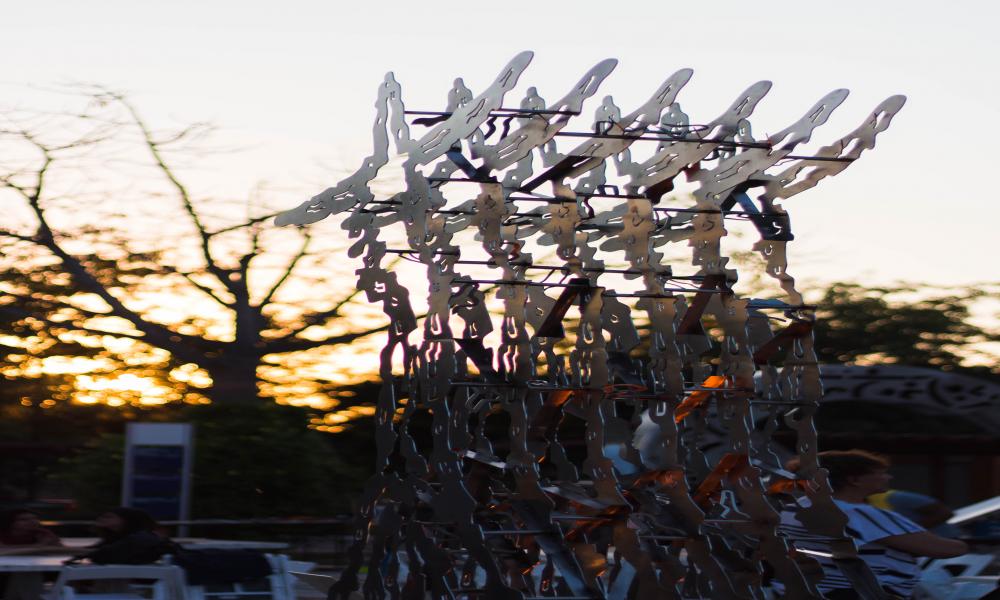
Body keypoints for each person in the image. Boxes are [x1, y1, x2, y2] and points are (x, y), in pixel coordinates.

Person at [779, 450, 967, 599]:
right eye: (881, 473)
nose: (888, 478)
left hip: (813, 589)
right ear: (853, 480)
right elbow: (948, 550)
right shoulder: (856, 513)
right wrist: (963, 544)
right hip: (863, 592)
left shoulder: (794, 508)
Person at [68, 507, 176, 565]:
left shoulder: (139, 540)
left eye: (108, 516)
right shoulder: (116, 538)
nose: (101, 518)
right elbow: (94, 551)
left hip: (136, 581)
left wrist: (59, 549)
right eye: (101, 516)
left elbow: (97, 552)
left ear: (126, 520)